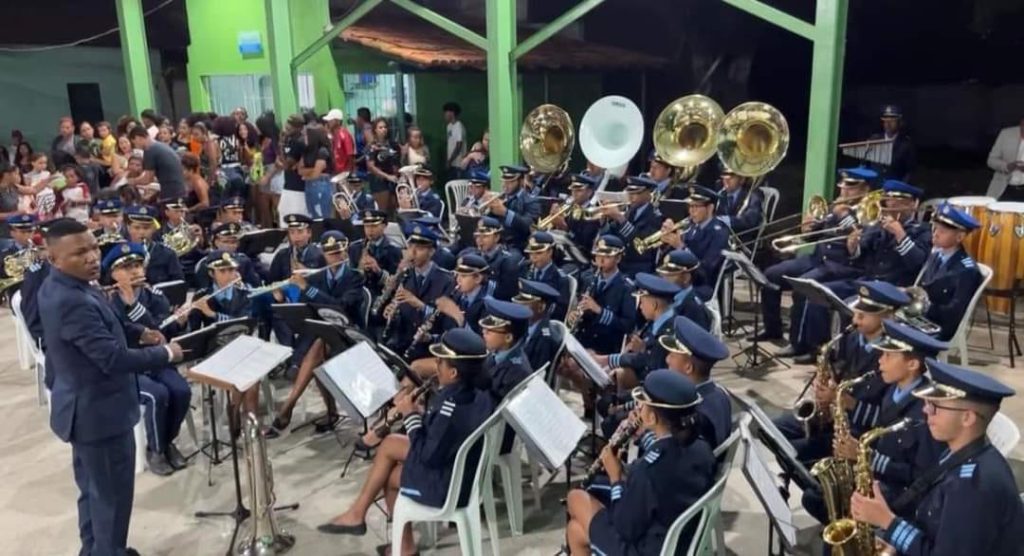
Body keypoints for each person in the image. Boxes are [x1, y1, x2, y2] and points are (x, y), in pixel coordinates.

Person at [40, 218, 183, 556]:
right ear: (53, 258)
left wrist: (138, 332)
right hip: (99, 414)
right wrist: (164, 352)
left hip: (84, 409)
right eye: (80, 253)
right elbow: (112, 358)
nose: (92, 257)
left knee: (93, 493)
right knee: (112, 499)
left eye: (93, 247)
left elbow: (102, 324)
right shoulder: (69, 299)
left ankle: (96, 550)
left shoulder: (69, 283)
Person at [318, 329, 493, 555]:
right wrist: (421, 414)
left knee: (390, 478)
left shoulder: (450, 405)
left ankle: (401, 545)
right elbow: (441, 436)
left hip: (448, 484)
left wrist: (410, 416)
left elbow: (428, 455)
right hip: (460, 466)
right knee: (390, 443)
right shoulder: (476, 393)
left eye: (441, 362)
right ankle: (358, 515)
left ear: (453, 372)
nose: (437, 365)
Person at [850, 359, 1024, 556]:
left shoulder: (973, 488)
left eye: (936, 406)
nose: (925, 411)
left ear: (967, 418)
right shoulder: (958, 453)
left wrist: (888, 523)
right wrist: (893, 539)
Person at [564, 369, 716, 556]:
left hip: (649, 548)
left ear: (652, 418)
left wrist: (616, 478)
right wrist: (644, 436)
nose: (638, 408)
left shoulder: (647, 471)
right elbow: (668, 452)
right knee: (576, 531)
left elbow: (625, 528)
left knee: (575, 498)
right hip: (680, 538)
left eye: (643, 405)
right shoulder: (702, 448)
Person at [102, 242, 192, 476]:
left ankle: (166, 441)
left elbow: (160, 333)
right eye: (126, 267)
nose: (134, 271)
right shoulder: (106, 301)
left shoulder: (155, 295)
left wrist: (178, 322)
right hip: (127, 368)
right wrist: (131, 306)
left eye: (138, 265)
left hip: (155, 361)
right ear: (112, 273)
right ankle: (157, 451)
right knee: (157, 395)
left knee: (181, 391)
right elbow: (117, 340)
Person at [757, 168, 875, 343]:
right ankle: (773, 328)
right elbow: (814, 236)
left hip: (840, 265)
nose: (843, 191)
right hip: (816, 259)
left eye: (850, 187)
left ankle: (800, 343)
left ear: (865, 189)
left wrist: (843, 215)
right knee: (771, 275)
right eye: (842, 186)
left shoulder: (868, 212)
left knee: (802, 286)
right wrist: (807, 229)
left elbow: (861, 237)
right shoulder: (836, 207)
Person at [595, 272, 680, 388]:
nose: (640, 306)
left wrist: (608, 359)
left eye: (642, 301)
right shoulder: (655, 321)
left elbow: (648, 361)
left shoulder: (668, 331)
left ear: (654, 304)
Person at [919, 203, 983, 341]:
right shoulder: (936, 256)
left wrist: (924, 307)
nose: (935, 234)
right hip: (924, 319)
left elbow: (954, 313)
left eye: (942, 231)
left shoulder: (966, 270)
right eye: (934, 228)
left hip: (940, 328)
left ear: (959, 237)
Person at [573, 235, 637, 353]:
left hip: (607, 347)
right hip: (583, 340)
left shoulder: (627, 287)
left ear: (618, 259)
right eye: (598, 255)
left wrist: (599, 310)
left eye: (607, 256)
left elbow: (628, 326)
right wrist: (574, 316)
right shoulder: (587, 278)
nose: (601, 260)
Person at [596, 175, 662, 277]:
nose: (631, 197)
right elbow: (610, 239)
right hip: (620, 264)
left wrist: (620, 219)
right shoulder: (630, 212)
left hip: (639, 268)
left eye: (636, 193)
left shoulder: (655, 217)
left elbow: (640, 246)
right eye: (630, 192)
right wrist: (603, 223)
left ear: (648, 193)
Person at [460, 216, 522, 301]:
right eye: (478, 236)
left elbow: (506, 293)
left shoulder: (508, 260)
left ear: (496, 237)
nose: (480, 241)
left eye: (485, 236)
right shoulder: (471, 254)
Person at [487, 165, 541, 252]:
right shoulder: (501, 198)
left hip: (517, 245)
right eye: (504, 182)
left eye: (510, 182)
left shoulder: (531, 201)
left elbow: (527, 226)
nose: (505, 185)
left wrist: (505, 213)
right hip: (497, 243)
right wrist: (487, 211)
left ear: (521, 181)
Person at [124, 205, 183, 285]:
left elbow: (178, 284)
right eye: (137, 228)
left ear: (153, 229)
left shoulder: (167, 254)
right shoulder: (119, 252)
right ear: (128, 228)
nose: (141, 232)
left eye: (146, 228)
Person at [655, 248, 712, 331]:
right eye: (663, 274)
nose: (664, 278)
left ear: (686, 278)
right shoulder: (668, 298)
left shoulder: (694, 309)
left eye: (670, 275)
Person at [519, 231, 570, 320]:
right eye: (531, 253)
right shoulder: (524, 268)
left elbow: (560, 310)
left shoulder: (560, 278)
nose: (533, 257)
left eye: (538, 253)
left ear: (550, 252)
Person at [126, 127, 186, 201]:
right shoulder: (159, 146)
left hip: (171, 193)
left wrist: (130, 181)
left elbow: (147, 179)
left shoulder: (150, 150)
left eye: (134, 143)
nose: (135, 146)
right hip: (178, 189)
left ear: (138, 138)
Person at [513, 279, 561, 372]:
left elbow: (534, 374)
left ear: (541, 307)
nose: (519, 308)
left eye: (524, 304)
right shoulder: (525, 326)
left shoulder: (545, 340)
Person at [715, 165, 764, 236]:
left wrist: (727, 220)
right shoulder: (722, 194)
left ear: (742, 179)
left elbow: (750, 220)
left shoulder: (753, 196)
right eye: (724, 178)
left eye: (731, 178)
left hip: (742, 240)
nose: (726, 181)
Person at [366, 117, 401, 215]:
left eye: (385, 127)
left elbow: (397, 162)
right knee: (382, 211)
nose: (383, 129)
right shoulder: (372, 147)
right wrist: (387, 176)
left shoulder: (393, 145)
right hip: (379, 181)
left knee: (395, 209)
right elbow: (371, 167)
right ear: (375, 130)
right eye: (380, 127)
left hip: (394, 180)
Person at [873, 105, 916, 181]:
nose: (888, 124)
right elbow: (865, 165)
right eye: (886, 120)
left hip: (894, 189)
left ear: (900, 122)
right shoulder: (874, 140)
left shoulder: (906, 145)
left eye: (892, 120)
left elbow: (910, 171)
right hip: (875, 186)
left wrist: (901, 188)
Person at [300, 125, 335, 219]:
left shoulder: (322, 151)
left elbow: (316, 174)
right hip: (309, 186)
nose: (304, 138)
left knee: (322, 216)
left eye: (306, 136)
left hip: (321, 185)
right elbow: (300, 170)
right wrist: (312, 171)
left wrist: (307, 175)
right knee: (312, 216)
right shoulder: (306, 151)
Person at [986, 116, 1024, 200]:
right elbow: (991, 160)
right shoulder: (1006, 134)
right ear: (1021, 123)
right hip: (1004, 189)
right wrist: (1007, 166)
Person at [322, 108, 355, 176]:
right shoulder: (333, 135)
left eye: (331, 120)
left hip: (343, 173)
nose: (328, 122)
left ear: (337, 121)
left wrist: (348, 172)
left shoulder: (344, 135)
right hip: (335, 172)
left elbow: (350, 155)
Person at [443, 101, 467, 180]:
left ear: (452, 113)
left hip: (458, 163)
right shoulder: (449, 126)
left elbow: (458, 145)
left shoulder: (459, 126)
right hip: (452, 163)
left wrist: (450, 160)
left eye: (446, 112)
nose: (444, 115)